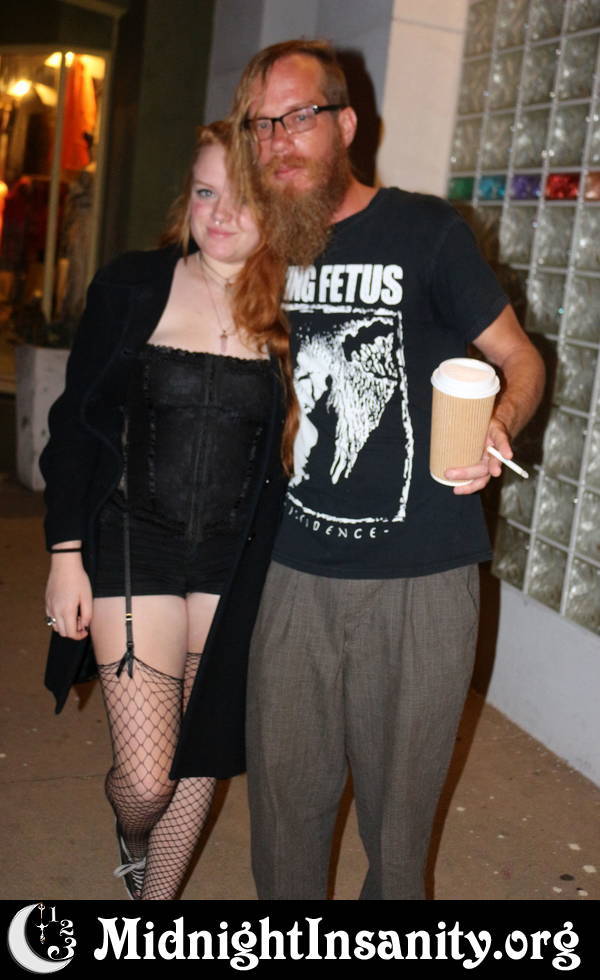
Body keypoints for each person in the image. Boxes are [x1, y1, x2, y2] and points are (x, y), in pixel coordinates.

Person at [230, 40, 546, 900]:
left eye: (298, 117)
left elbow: (520, 358)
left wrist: (499, 424)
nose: (278, 142)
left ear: (346, 124)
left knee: (398, 834)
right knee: (283, 814)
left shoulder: (426, 231)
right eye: (261, 125)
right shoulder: (268, 243)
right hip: (296, 569)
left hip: (422, 574)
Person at [40, 120, 295, 901]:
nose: (220, 214)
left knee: (200, 754)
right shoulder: (133, 284)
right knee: (148, 781)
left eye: (242, 198)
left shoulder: (296, 310)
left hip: (235, 558)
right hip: (133, 537)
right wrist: (64, 554)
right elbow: (75, 423)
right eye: (206, 192)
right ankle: (132, 832)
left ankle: (155, 912)